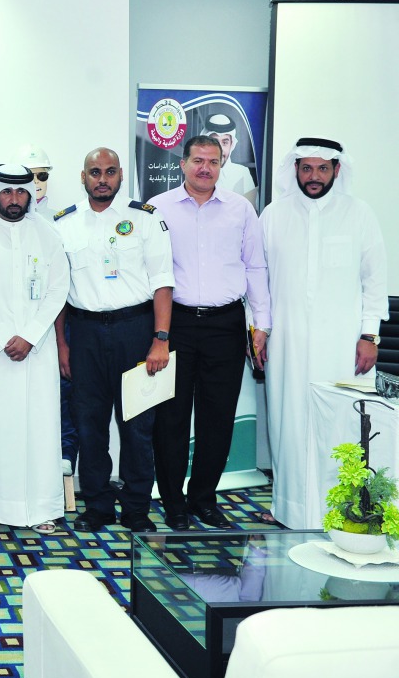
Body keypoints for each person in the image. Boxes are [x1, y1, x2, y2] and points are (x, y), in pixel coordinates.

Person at [260, 137, 387, 529]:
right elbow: (257, 280)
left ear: (336, 170)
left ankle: (338, 512)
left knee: (338, 427)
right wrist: (258, 332)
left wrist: (370, 335)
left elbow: (375, 279)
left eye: (322, 168)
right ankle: (288, 509)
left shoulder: (359, 214)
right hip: (287, 343)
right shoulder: (273, 215)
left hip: (341, 344)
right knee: (288, 424)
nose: (314, 177)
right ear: (295, 170)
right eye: (306, 168)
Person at [148, 135, 271, 530]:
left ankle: (204, 499)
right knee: (171, 419)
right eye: (198, 160)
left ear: (223, 165)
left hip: (225, 325)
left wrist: (261, 323)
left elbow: (255, 267)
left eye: (213, 162)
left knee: (217, 418)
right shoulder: (157, 209)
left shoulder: (241, 209)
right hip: (176, 324)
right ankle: (173, 503)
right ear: (182, 164)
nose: (205, 168)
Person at [53, 147, 174, 533]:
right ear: (83, 176)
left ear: (121, 176)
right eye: (94, 172)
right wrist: (62, 345)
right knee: (89, 424)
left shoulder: (145, 220)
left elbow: (162, 283)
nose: (102, 179)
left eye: (109, 172)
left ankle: (137, 508)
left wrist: (160, 339)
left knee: (138, 426)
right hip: (84, 332)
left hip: (135, 330)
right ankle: (98, 506)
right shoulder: (64, 224)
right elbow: (58, 293)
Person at [0, 164, 69, 536]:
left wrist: (30, 335)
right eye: (6, 192)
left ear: (30, 195)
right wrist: (3, 336)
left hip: (35, 353)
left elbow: (59, 289)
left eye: (20, 192)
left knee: (38, 429)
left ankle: (41, 507)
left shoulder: (49, 236)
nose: (13, 199)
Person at [17, 144, 79, 478]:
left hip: (58, 319)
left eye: (42, 175)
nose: (35, 182)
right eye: (29, 175)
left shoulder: (62, 221)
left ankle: (65, 453)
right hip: (13, 325)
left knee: (62, 390)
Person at [204, 113, 257, 202]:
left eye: (224, 143)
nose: (219, 150)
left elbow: (250, 211)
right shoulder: (197, 172)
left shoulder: (242, 173)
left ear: (231, 145)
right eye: (214, 142)